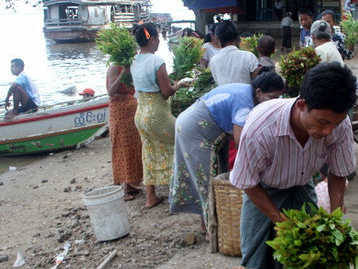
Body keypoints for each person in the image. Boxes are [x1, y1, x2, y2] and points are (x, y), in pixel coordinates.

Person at [230, 63, 358, 269]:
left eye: (335, 124)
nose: (327, 132)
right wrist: (280, 220)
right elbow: (247, 181)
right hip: (263, 190)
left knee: (313, 267)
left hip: (302, 186)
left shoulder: (338, 125)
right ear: (301, 105)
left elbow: (338, 171)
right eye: (322, 122)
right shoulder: (261, 128)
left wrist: (334, 217)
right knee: (256, 266)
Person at [170, 72, 286, 228]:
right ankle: (210, 228)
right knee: (207, 178)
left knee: (215, 172)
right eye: (272, 97)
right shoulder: (244, 101)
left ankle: (211, 223)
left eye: (279, 98)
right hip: (196, 130)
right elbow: (241, 141)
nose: (275, 102)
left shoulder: (247, 91)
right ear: (258, 92)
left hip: (194, 123)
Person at [131, 21, 183, 208]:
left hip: (141, 114)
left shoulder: (134, 60)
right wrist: (178, 85)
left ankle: (150, 196)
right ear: (152, 39)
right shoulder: (157, 61)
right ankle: (180, 190)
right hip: (158, 114)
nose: (160, 41)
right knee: (181, 141)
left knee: (149, 151)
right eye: (158, 38)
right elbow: (166, 91)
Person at [106, 62, 143, 201]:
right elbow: (111, 91)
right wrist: (122, 73)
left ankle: (130, 183)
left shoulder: (130, 65)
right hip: (120, 112)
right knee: (122, 147)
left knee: (133, 147)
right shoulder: (115, 67)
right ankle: (122, 187)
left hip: (129, 111)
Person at [208, 20, 260, 86]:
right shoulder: (248, 56)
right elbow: (257, 80)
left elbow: (217, 82)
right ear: (236, 37)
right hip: (245, 96)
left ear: (218, 39)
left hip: (224, 96)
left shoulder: (214, 60)